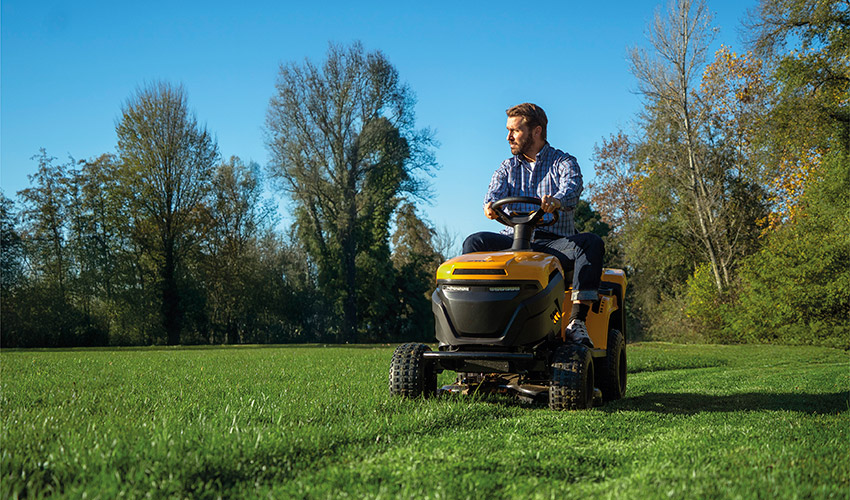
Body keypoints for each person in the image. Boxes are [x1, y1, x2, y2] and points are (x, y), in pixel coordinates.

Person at [462, 103, 604, 347]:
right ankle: (479, 319)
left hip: (553, 246)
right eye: (508, 130)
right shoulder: (507, 168)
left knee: (591, 243)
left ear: (536, 131)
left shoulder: (563, 162)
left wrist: (557, 201)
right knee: (475, 242)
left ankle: (577, 321)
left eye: (515, 131)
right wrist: (490, 206)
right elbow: (493, 194)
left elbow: (572, 188)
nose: (508, 137)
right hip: (513, 242)